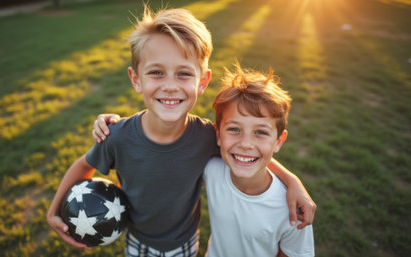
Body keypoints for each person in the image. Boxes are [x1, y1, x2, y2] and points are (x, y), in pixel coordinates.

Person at [48, 6, 315, 256]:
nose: (171, 86)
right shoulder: (117, 136)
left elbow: (246, 148)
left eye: (184, 74)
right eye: (156, 73)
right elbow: (83, 165)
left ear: (203, 81)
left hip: (185, 243)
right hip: (137, 241)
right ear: (135, 79)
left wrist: (293, 182)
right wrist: (53, 211)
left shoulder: (206, 136)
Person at [203, 64, 314, 256]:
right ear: (218, 134)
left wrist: (291, 182)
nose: (246, 144)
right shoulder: (210, 169)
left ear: (278, 141)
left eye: (261, 132)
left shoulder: (292, 208)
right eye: (234, 129)